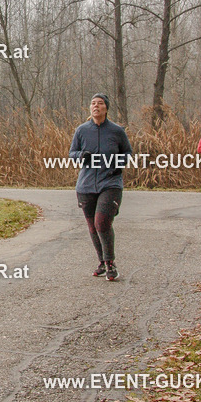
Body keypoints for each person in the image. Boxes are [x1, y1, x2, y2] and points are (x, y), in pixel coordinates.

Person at [68, 93, 132, 282]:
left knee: (102, 223)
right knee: (92, 227)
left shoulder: (116, 131)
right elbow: (72, 153)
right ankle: (102, 263)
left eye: (100, 103)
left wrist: (116, 164)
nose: (96, 106)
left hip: (110, 182)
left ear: (106, 108)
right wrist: (81, 156)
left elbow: (127, 152)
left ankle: (110, 263)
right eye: (93, 103)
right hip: (86, 184)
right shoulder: (81, 130)